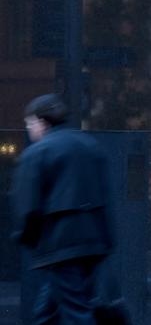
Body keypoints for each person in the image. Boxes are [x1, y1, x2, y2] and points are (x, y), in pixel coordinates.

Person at [11, 94, 114, 324]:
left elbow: (29, 207)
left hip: (61, 245)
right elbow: (106, 196)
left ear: (42, 122)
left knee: (75, 311)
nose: (29, 130)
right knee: (49, 310)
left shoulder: (38, 152)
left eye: (29, 123)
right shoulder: (90, 146)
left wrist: (26, 237)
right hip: (93, 243)